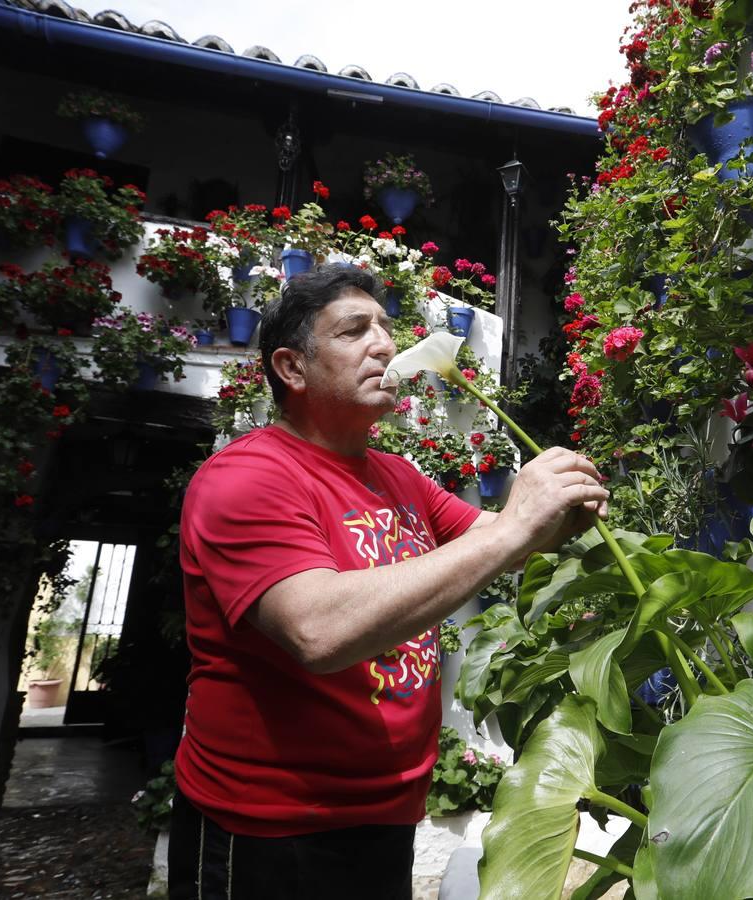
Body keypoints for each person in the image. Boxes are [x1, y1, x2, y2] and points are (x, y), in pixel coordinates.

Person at [168, 265, 608, 899]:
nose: (384, 344)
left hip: (384, 817)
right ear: (292, 368)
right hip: (271, 829)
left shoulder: (397, 475)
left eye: (385, 327)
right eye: (354, 331)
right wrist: (516, 528)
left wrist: (560, 509)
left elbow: (501, 540)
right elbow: (318, 630)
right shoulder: (246, 478)